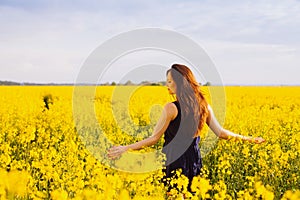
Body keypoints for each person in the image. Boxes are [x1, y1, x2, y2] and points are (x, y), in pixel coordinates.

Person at [107, 64, 265, 198]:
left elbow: (154, 138)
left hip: (174, 160)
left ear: (179, 82)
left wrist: (125, 148)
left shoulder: (171, 108)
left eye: (169, 81)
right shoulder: (204, 106)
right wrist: (249, 139)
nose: (167, 85)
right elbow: (222, 133)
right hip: (194, 160)